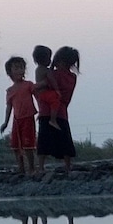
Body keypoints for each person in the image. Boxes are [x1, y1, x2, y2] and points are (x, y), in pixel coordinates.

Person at [37, 46, 80, 174]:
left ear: (60, 60)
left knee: (44, 139)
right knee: (65, 139)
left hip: (46, 110)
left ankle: (41, 167)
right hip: (62, 111)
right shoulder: (72, 77)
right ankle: (67, 166)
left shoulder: (54, 75)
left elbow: (43, 84)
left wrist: (30, 87)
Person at [0, 56, 37, 175]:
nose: (19, 71)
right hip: (16, 120)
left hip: (28, 117)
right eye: (16, 68)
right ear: (9, 72)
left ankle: (31, 168)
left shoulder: (28, 85)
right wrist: (5, 122)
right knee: (16, 145)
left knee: (28, 145)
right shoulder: (10, 90)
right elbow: (9, 107)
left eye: (21, 68)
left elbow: (37, 95)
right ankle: (21, 167)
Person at [32, 45, 61, 131]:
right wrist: (57, 90)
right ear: (45, 59)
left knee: (43, 106)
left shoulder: (38, 69)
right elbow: (52, 80)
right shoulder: (46, 70)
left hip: (39, 94)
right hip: (45, 93)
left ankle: (41, 113)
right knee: (55, 101)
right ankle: (53, 119)